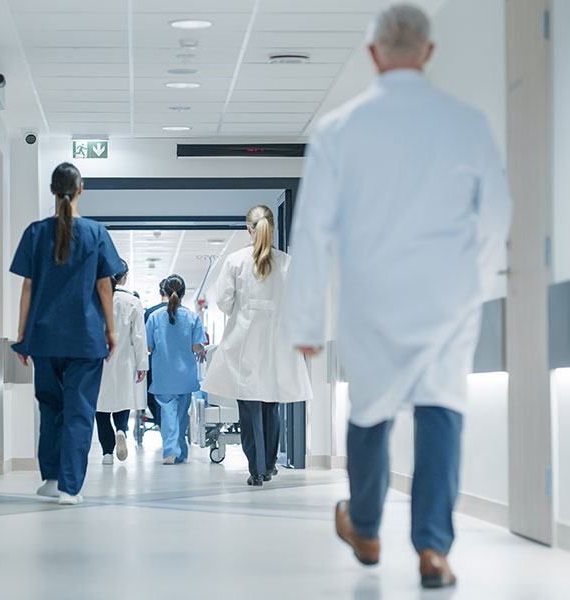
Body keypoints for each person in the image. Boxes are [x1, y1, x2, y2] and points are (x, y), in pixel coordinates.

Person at [284, 3, 512, 588]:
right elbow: (496, 215)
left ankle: (364, 525)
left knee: (371, 412)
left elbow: (312, 232)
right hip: (448, 297)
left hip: (373, 297)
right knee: (442, 410)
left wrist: (306, 323)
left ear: (373, 53)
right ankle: (433, 549)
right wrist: (476, 282)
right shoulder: (467, 122)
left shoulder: (339, 129)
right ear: (429, 53)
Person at [11, 162, 122, 506]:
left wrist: (23, 335)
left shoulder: (35, 232)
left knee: (50, 408)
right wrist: (110, 330)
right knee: (79, 411)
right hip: (85, 339)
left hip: (44, 338)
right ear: (81, 189)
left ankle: (53, 478)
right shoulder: (95, 233)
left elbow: (28, 288)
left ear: (51, 190)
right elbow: (105, 287)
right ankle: (70, 488)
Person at [201, 205, 312, 486]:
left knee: (249, 409)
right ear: (272, 228)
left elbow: (224, 302)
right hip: (277, 344)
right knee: (271, 406)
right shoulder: (287, 263)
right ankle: (270, 465)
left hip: (244, 343)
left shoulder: (235, 261)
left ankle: (257, 470)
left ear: (248, 229)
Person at [145, 275, 205, 465]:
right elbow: (196, 347)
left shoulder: (154, 317)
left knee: (168, 413)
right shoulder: (191, 316)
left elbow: (148, 347)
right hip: (185, 375)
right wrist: (202, 350)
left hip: (163, 375)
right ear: (184, 293)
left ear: (163, 292)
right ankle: (181, 452)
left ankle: (172, 450)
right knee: (181, 415)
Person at [95, 260, 148, 465]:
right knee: (122, 401)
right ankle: (121, 430)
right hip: (125, 361)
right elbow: (139, 338)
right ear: (124, 277)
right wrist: (143, 365)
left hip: (98, 362)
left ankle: (107, 453)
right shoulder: (132, 302)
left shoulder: (94, 299)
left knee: (100, 408)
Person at [142, 282, 169, 431]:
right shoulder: (185, 313)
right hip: (177, 365)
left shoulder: (150, 313)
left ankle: (159, 420)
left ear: (160, 291)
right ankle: (167, 422)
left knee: (151, 394)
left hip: (155, 364)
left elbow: (146, 342)